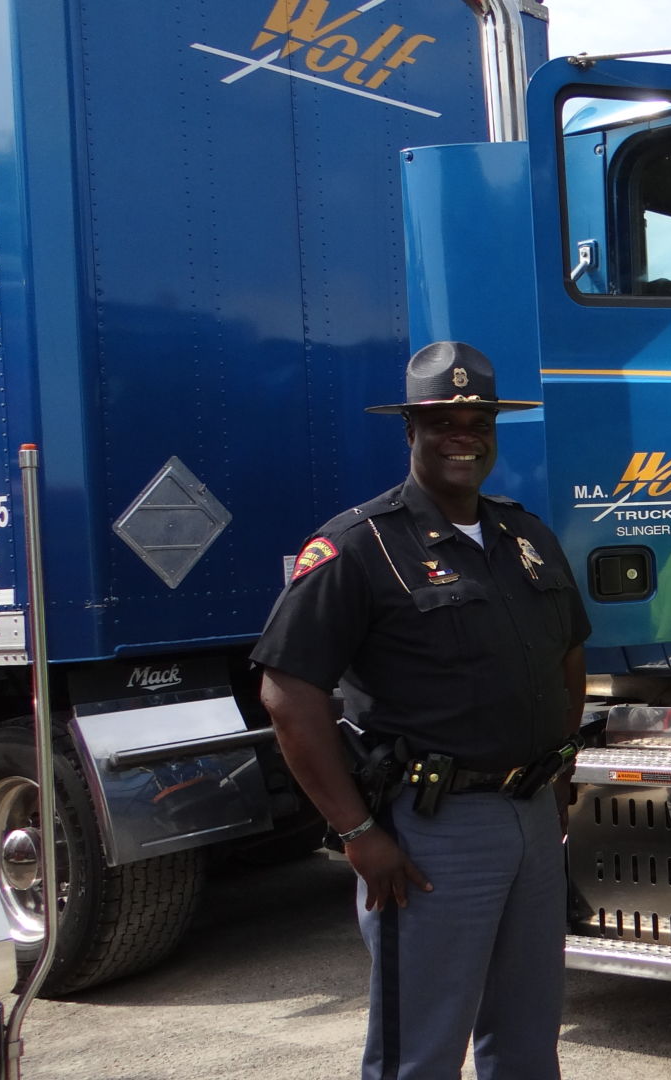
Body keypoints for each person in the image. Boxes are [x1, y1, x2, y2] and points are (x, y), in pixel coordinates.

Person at [252, 341, 589, 1080]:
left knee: (530, 1041)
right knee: (421, 1051)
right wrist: (356, 830)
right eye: (442, 421)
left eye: (478, 420)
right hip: (432, 833)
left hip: (531, 816)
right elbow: (288, 693)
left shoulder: (525, 537)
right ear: (410, 431)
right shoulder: (359, 545)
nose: (462, 433)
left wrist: (558, 777)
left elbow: (568, 655)